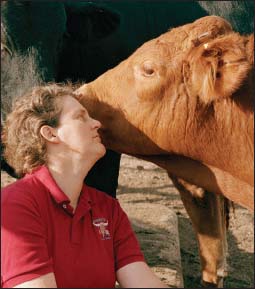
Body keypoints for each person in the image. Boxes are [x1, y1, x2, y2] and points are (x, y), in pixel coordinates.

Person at [1, 83, 168, 288]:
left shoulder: (108, 208)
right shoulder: (15, 205)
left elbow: (142, 282)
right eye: (81, 117)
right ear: (50, 134)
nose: (96, 123)